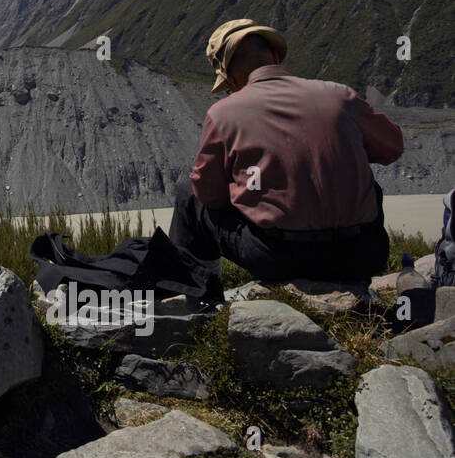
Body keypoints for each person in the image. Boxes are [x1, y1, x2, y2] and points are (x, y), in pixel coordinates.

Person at [169, 19, 404, 288]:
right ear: (275, 56)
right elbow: (393, 147)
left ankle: (198, 296)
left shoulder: (223, 114)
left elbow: (209, 194)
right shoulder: (340, 95)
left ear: (229, 75)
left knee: (188, 193)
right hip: (362, 254)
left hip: (278, 258)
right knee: (367, 184)